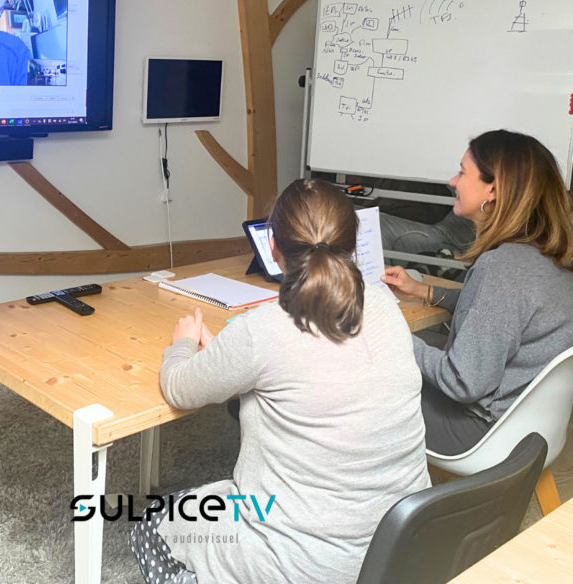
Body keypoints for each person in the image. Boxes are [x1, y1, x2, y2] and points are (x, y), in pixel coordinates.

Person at [130, 178, 429, 584]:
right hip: (401, 547)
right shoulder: (384, 305)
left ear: (273, 249)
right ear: (353, 246)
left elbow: (179, 388)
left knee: (151, 526)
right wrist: (230, 357)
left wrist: (182, 343)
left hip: (302, 563)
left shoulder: (263, 330)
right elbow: (304, 371)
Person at [382, 130, 573, 455]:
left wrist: (389, 334)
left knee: (361, 379)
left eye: (462, 172)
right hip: (533, 432)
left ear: (493, 189)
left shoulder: (504, 266)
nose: (452, 182)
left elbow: (463, 382)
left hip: (479, 433)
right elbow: (503, 316)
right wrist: (424, 290)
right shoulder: (545, 257)